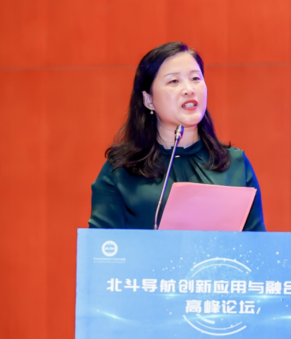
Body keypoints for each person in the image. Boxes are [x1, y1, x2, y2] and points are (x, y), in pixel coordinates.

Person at [88, 42, 266, 231]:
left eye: (195, 78)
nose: (189, 89)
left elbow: (256, 244)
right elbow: (102, 244)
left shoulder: (234, 165)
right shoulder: (121, 170)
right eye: (174, 81)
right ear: (148, 100)